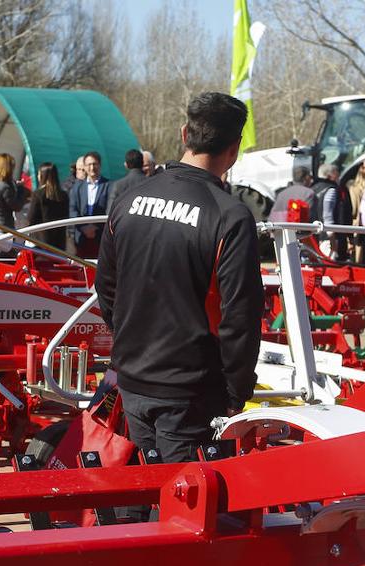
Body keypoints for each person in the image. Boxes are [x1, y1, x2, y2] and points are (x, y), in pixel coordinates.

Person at [96, 92, 263, 462]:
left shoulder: (129, 201)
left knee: (143, 486)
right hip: (190, 393)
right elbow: (241, 316)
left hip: (132, 379)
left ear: (185, 133)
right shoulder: (230, 217)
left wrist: (130, 345)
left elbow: (106, 288)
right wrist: (237, 392)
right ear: (234, 149)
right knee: (184, 494)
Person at [69, 151, 110, 258]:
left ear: (100, 165)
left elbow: (110, 210)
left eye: (94, 164)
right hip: (81, 238)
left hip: (101, 237)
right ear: (85, 167)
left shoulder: (109, 186)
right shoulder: (77, 187)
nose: (92, 168)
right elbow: (73, 210)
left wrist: (95, 227)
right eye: (89, 164)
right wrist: (83, 227)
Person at [311, 163, 352, 262]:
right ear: (330, 175)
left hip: (315, 237)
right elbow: (328, 216)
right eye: (337, 173)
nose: (339, 176)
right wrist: (333, 242)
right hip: (329, 239)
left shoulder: (313, 189)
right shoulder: (331, 190)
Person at [27, 162, 69, 250]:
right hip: (59, 240)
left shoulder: (38, 194)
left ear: (42, 176)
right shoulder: (63, 195)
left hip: (40, 241)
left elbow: (31, 218)